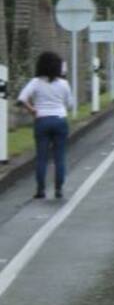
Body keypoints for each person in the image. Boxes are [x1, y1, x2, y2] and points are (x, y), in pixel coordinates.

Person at [17, 51, 75, 200]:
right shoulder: (64, 84)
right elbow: (70, 104)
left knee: (41, 157)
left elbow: (22, 98)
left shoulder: (35, 82)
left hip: (42, 120)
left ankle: (41, 190)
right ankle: (58, 189)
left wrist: (33, 110)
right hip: (59, 119)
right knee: (59, 157)